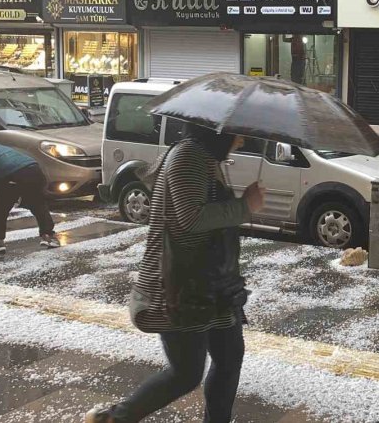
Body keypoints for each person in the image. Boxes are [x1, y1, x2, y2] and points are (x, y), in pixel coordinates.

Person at [86, 123, 265, 423]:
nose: (244, 138)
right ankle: (114, 418)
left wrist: (239, 207)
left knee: (230, 357)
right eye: (239, 132)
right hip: (182, 286)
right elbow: (190, 218)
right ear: (218, 132)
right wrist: (244, 207)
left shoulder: (207, 158)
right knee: (186, 373)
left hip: (212, 284)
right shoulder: (188, 157)